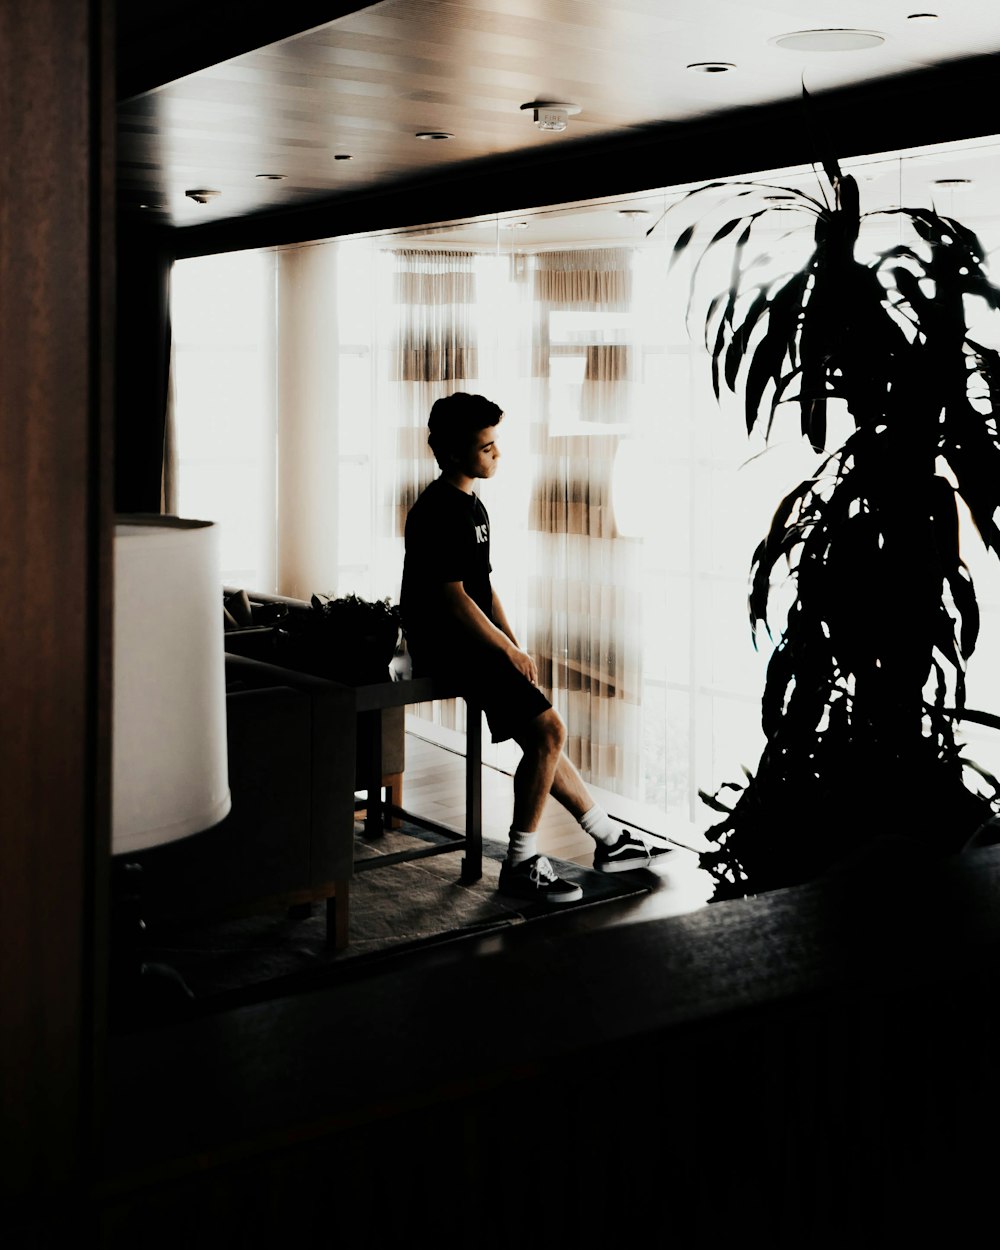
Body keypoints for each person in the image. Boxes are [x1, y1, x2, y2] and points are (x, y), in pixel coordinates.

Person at [400, 391, 673, 903]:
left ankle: (610, 841)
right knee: (550, 730)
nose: (497, 454)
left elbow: (483, 588)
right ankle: (521, 864)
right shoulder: (437, 510)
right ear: (454, 453)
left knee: (542, 737)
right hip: (448, 645)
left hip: (474, 641)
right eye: (487, 447)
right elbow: (452, 600)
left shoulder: (472, 505)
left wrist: (514, 645)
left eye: (496, 443)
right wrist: (505, 651)